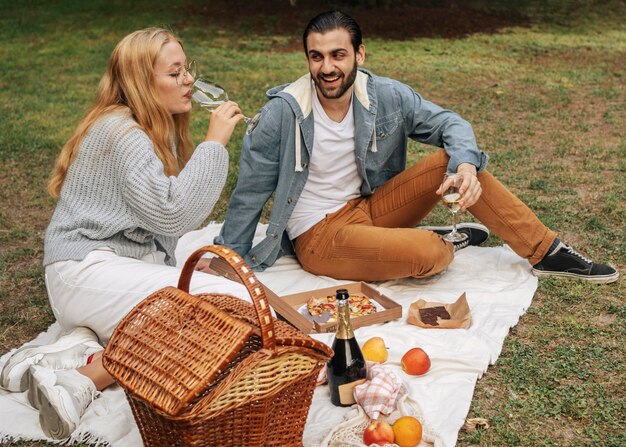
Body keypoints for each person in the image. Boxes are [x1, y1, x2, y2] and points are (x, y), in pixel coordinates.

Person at [215, 10, 618, 285]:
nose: (327, 68)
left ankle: (546, 250)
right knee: (430, 253)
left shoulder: (386, 96)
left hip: (370, 209)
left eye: (338, 54)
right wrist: (229, 257)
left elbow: (450, 124)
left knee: (454, 159)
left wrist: (463, 169)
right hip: (320, 237)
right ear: (307, 59)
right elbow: (249, 192)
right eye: (316, 57)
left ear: (359, 54)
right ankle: (441, 240)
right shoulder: (282, 114)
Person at [0, 27, 250, 440]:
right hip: (83, 272)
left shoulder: (146, 125)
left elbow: (154, 222)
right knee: (227, 304)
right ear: (141, 82)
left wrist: (182, 266)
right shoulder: (124, 134)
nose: (188, 80)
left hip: (97, 271)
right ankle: (84, 381)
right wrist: (215, 144)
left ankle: (60, 357)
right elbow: (173, 215)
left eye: (187, 70)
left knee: (202, 301)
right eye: (175, 73)